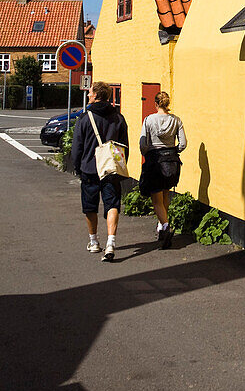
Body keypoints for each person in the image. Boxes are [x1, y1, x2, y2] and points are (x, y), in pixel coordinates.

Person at [71, 81, 129, 262]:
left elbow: (77, 147)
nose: (88, 95)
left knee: (90, 206)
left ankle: (94, 241)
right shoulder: (118, 118)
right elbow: (124, 146)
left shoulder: (85, 118)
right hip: (111, 168)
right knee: (112, 204)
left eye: (90, 93)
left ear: (96, 96)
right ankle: (111, 242)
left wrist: (77, 166)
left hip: (89, 168)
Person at [139, 91, 186, 248]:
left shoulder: (149, 120)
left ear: (156, 104)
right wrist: (173, 151)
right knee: (165, 193)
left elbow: (143, 143)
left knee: (156, 199)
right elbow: (183, 143)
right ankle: (161, 226)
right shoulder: (176, 120)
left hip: (155, 162)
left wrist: (148, 152)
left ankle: (165, 227)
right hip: (171, 162)